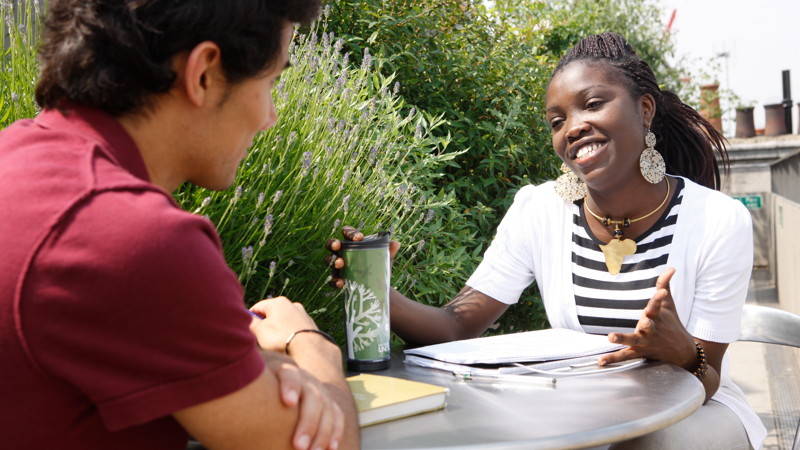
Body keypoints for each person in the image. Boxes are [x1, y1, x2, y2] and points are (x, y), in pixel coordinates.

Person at [329, 32, 765, 450]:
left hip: (693, 414)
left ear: (645, 109)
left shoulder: (717, 220)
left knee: (648, 444)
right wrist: (375, 290)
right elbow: (456, 326)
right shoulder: (539, 210)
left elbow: (708, 378)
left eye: (593, 104)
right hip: (582, 415)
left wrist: (684, 353)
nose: (573, 128)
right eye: (558, 122)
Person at [0, 1, 358, 450]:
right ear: (204, 73)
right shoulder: (134, 238)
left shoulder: (17, 159)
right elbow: (323, 445)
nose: (270, 119)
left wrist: (254, 364)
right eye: (272, 82)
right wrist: (312, 348)